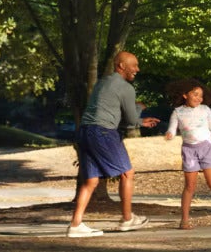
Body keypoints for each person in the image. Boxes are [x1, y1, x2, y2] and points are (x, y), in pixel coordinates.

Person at [66, 51, 160, 238]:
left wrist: (140, 121)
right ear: (121, 66)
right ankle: (127, 219)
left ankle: (75, 225)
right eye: (134, 65)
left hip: (85, 131)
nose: (137, 69)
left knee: (91, 180)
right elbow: (131, 119)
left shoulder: (103, 83)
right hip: (103, 132)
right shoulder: (126, 88)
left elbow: (122, 119)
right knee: (127, 173)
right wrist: (140, 108)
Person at [164, 78, 211, 229]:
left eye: (200, 96)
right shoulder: (178, 112)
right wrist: (169, 134)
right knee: (190, 186)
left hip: (207, 147)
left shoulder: (205, 110)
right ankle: (185, 220)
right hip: (189, 150)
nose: (198, 98)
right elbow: (172, 128)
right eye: (195, 94)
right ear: (184, 95)